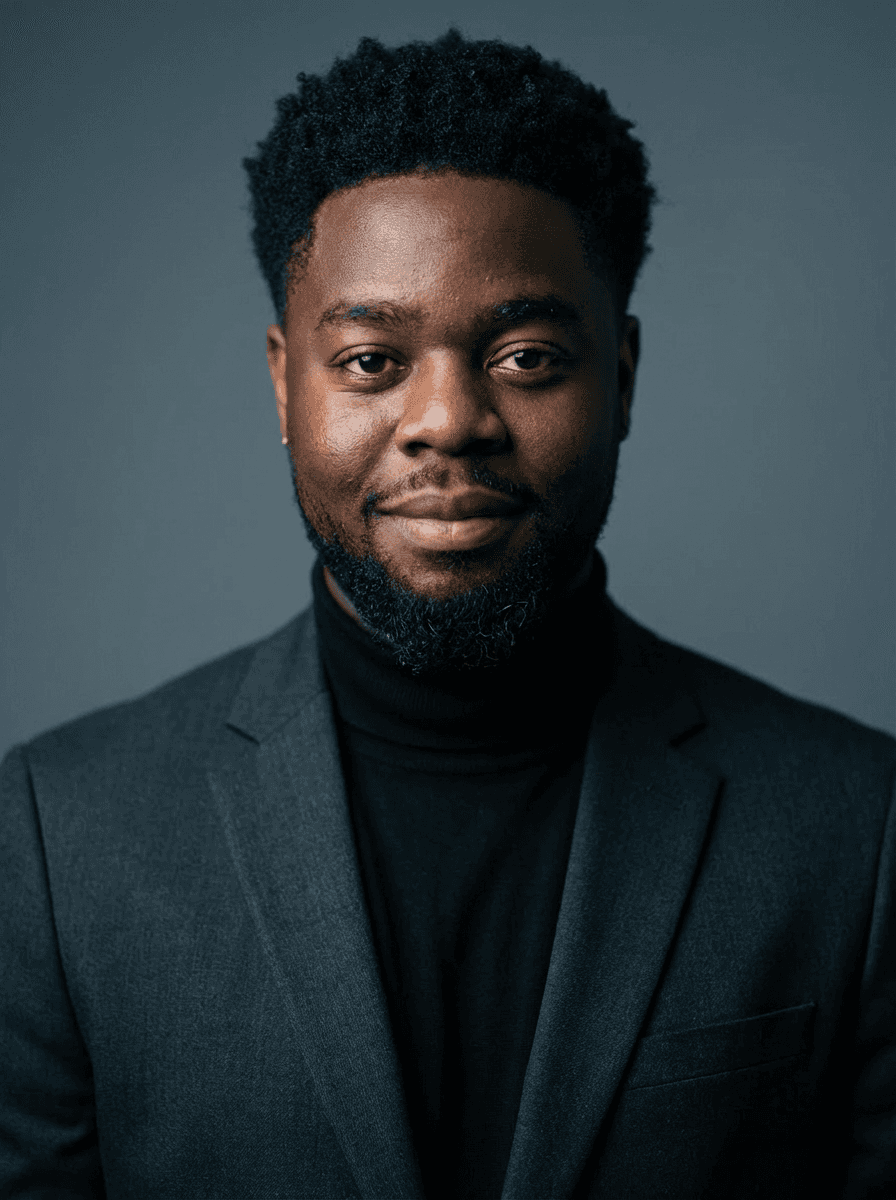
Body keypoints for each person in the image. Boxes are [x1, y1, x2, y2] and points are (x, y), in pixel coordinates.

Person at [1, 28, 893, 1200]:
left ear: (621, 377)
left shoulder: (854, 829)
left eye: (525, 356)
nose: (447, 421)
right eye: (370, 361)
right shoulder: (58, 839)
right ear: (283, 383)